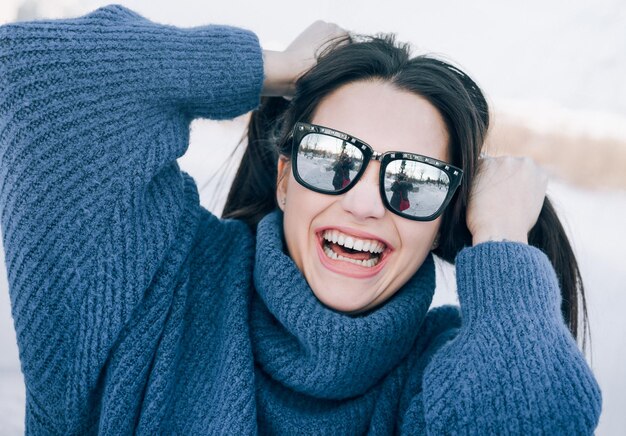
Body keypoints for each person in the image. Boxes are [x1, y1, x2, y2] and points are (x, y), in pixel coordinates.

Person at [0, 5, 601, 434]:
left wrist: (498, 240)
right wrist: (273, 66)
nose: (364, 203)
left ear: (448, 218)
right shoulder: (153, 288)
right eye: (332, 157)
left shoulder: (443, 383)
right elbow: (33, 74)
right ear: (285, 177)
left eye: (413, 181)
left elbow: (535, 418)